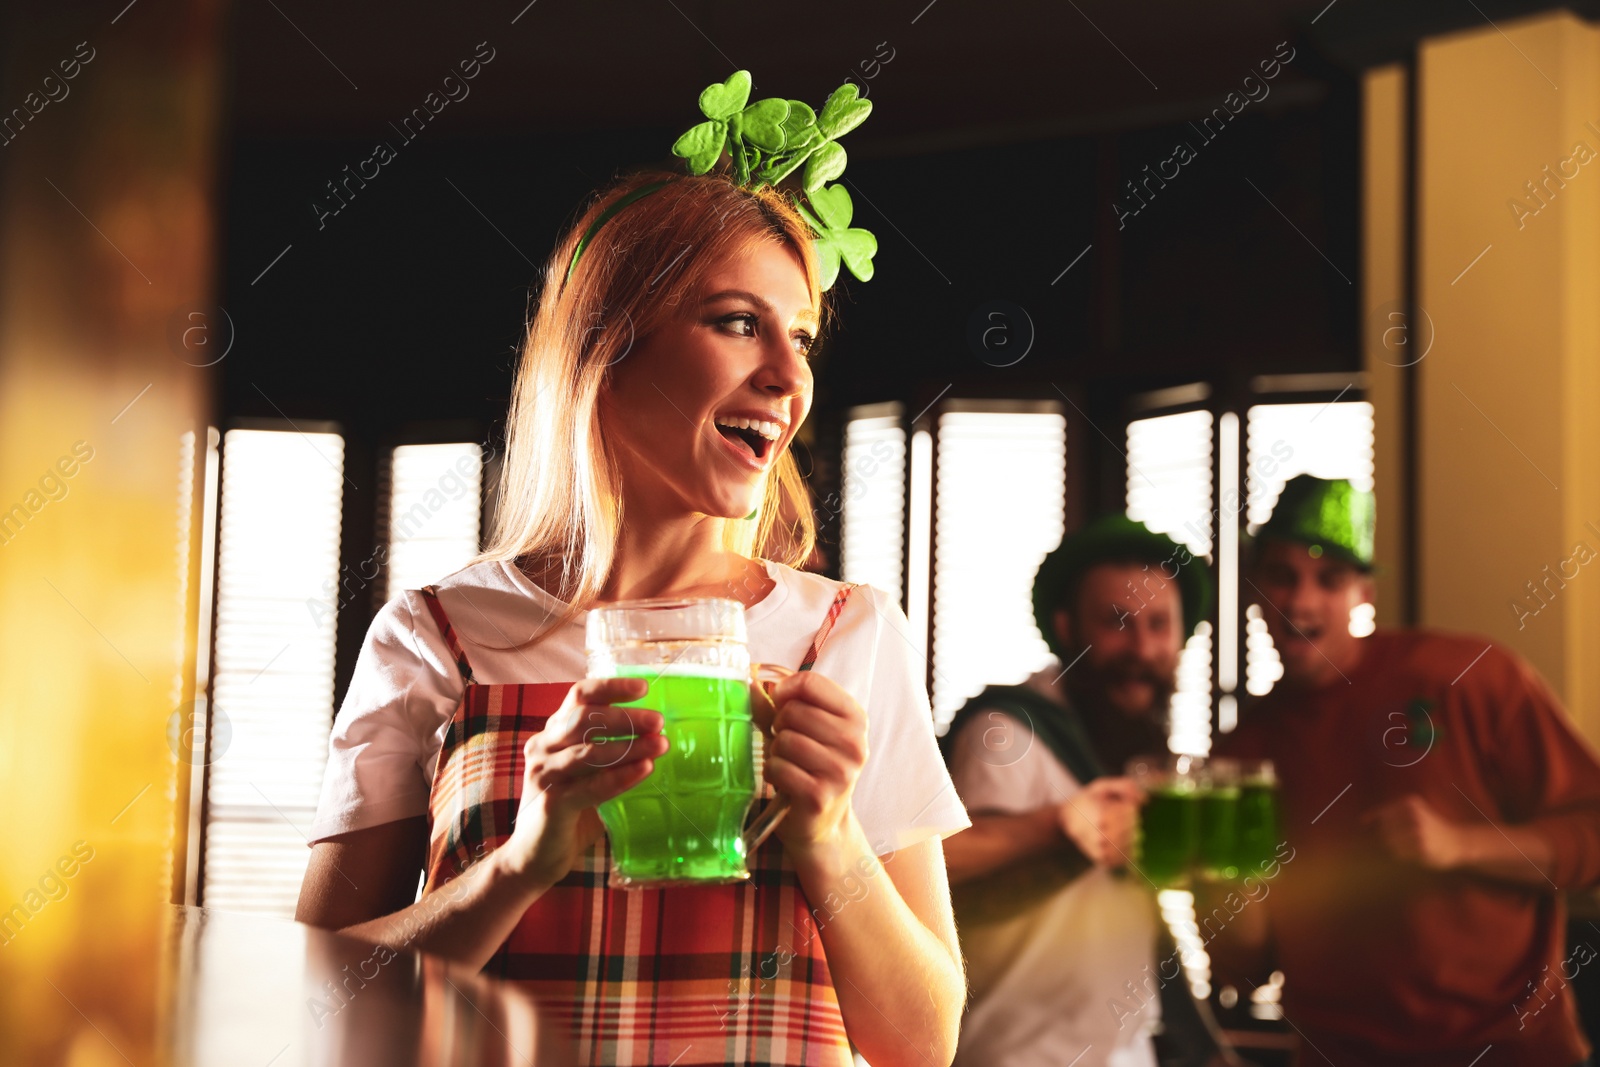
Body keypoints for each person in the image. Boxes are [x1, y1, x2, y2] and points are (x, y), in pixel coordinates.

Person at [295, 71, 972, 1067]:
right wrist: (522, 861)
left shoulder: (847, 634)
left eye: (800, 335)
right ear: (607, 344)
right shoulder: (433, 634)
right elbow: (314, 999)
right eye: (738, 321)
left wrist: (827, 834)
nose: (789, 378)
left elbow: (923, 1040)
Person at [1210, 474, 1600, 1067]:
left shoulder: (1472, 677)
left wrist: (1460, 846)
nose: (1300, 601)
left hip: (1514, 1052)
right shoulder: (1240, 756)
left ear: (1364, 592)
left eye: (1329, 579)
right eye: (1281, 576)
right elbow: (1249, 962)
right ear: (1257, 591)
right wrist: (1216, 892)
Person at [940, 514, 1218, 1067]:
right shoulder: (1005, 732)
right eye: (1118, 622)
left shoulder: (1132, 755)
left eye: (1159, 625)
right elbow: (940, 864)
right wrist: (1060, 827)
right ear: (1068, 629)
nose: (1141, 647)